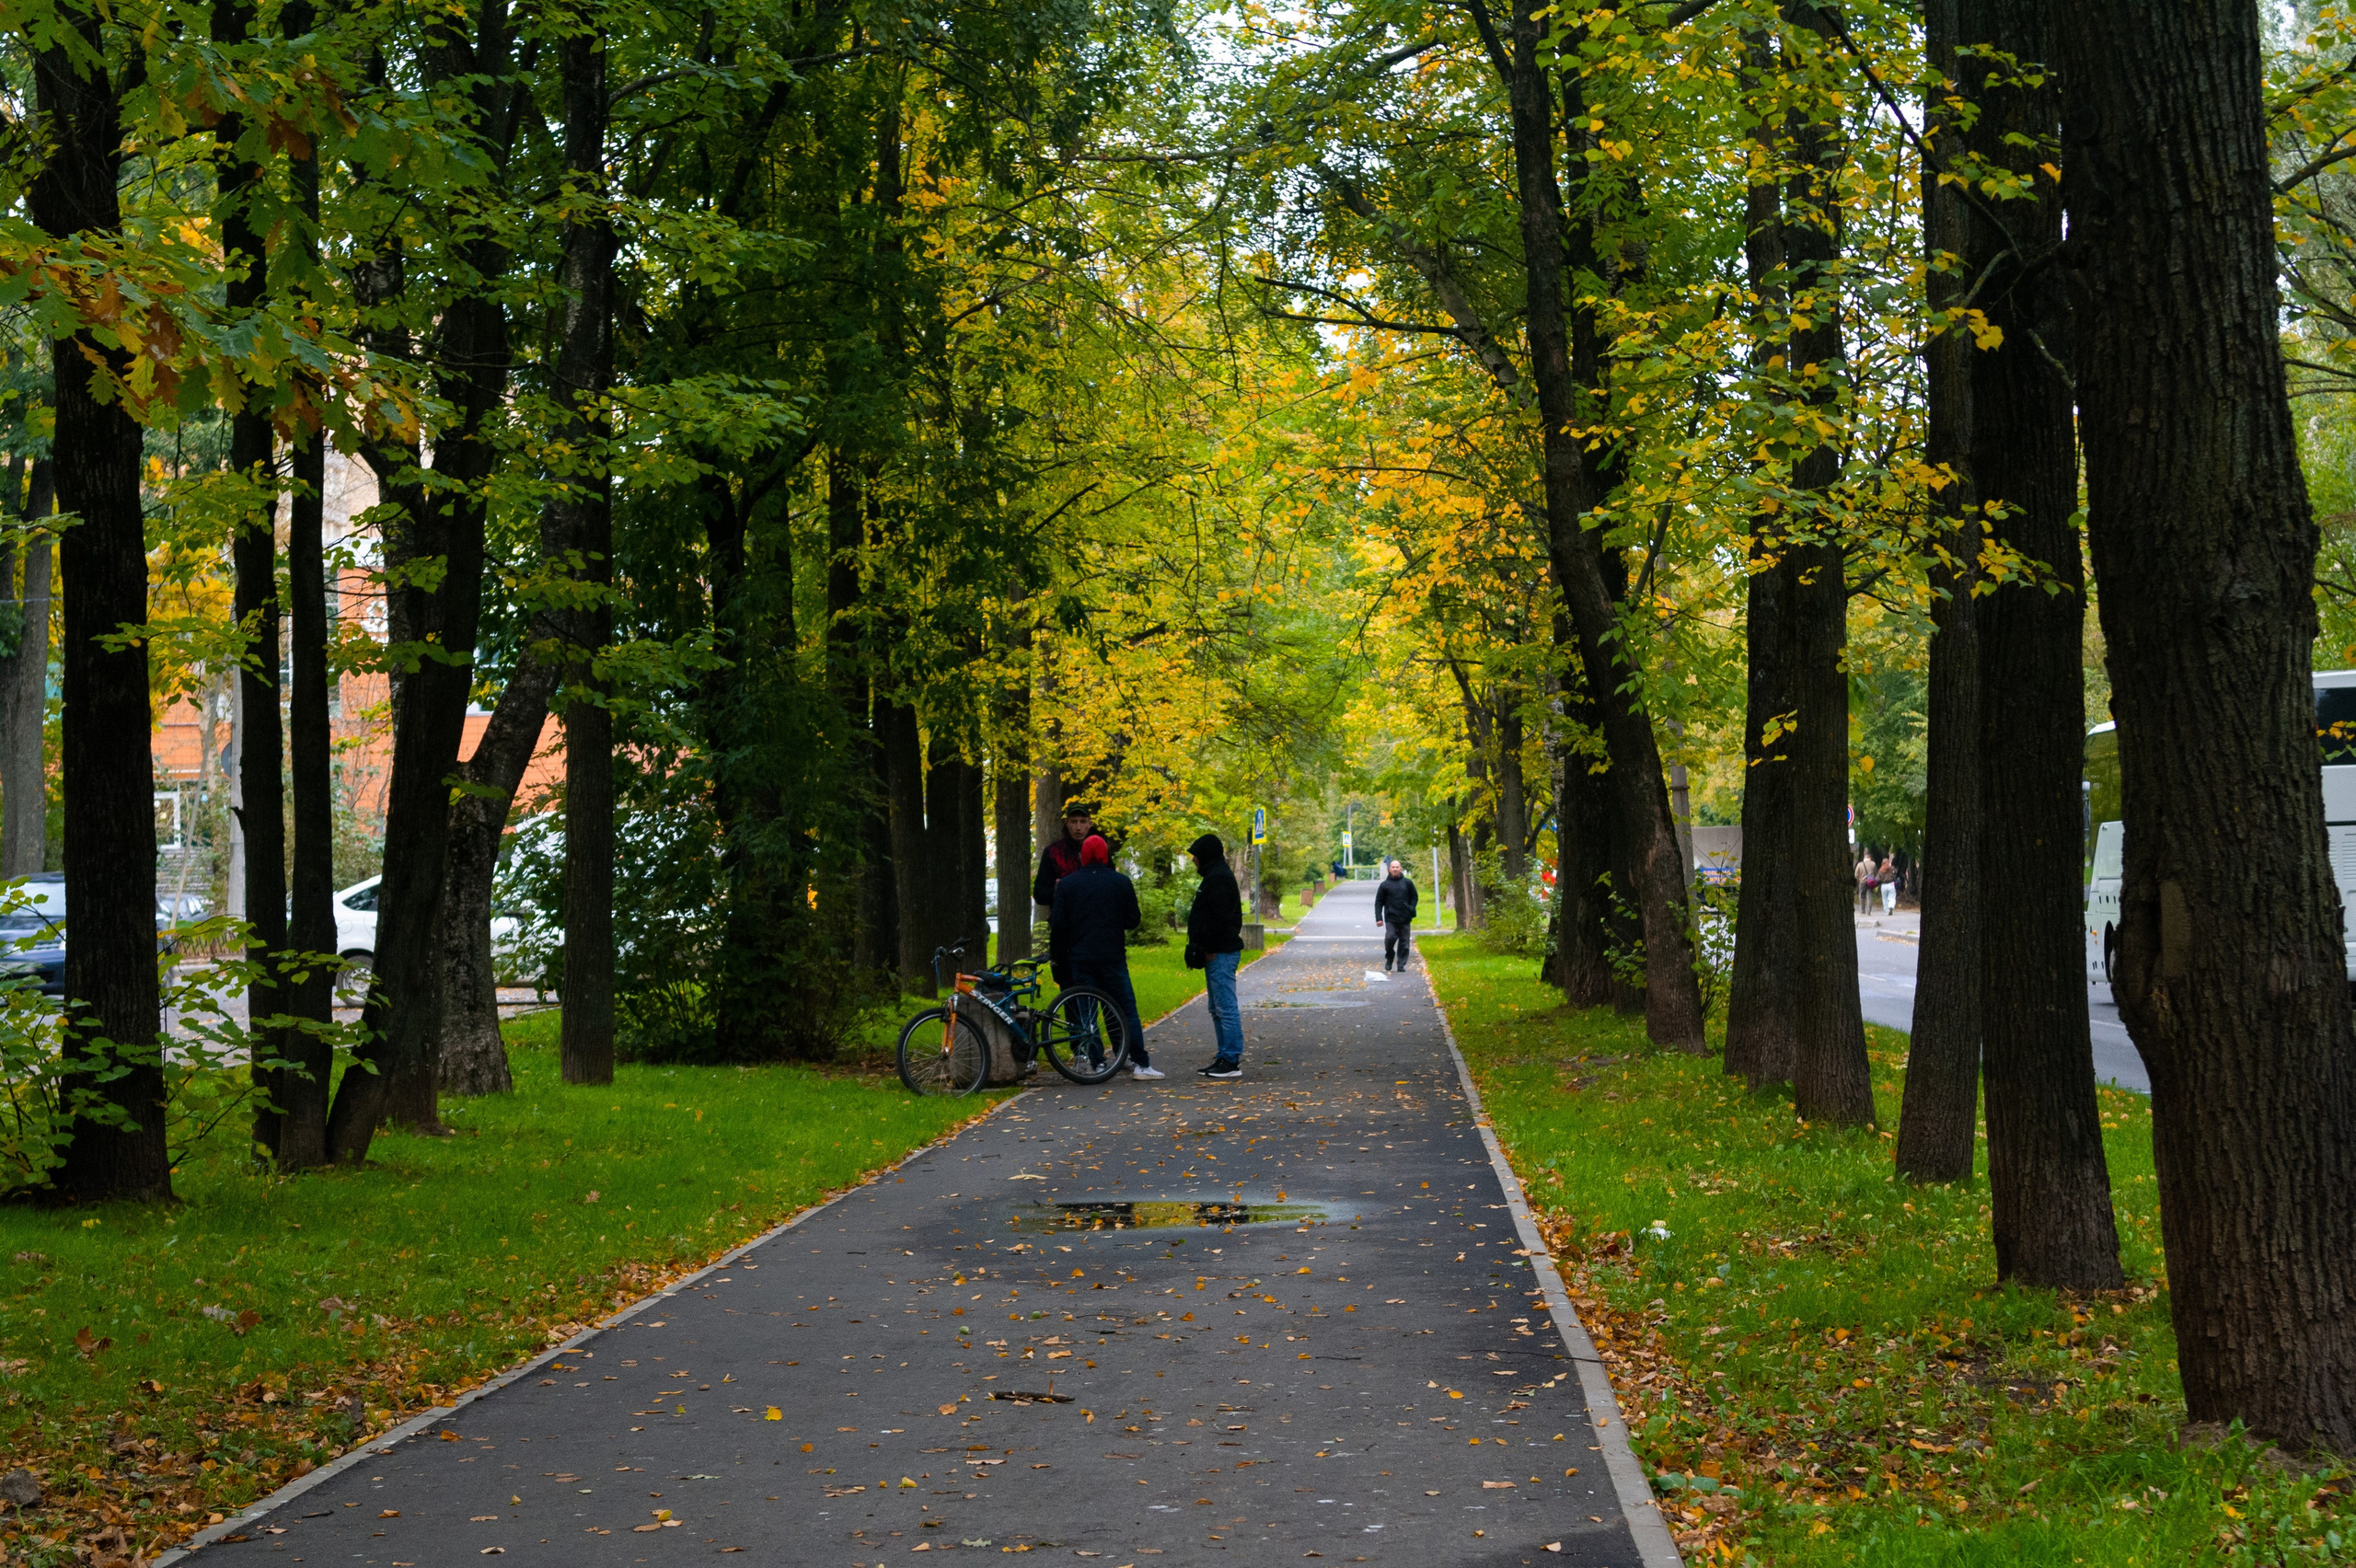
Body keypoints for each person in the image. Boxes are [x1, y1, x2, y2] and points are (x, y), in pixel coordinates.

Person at [1048, 835, 1161, 1079]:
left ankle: (1099, 1062)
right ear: (1105, 855)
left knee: (1087, 1011)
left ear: (1083, 856)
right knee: (1125, 1009)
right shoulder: (1120, 882)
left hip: (1081, 958)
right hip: (1112, 957)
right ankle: (1140, 1061)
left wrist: (1060, 954)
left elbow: (1058, 924)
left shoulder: (1068, 885)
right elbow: (1133, 920)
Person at [1185, 833, 1246, 1079]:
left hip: (1220, 952)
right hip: (1217, 950)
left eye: (1195, 856)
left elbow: (1219, 919)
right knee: (1217, 1007)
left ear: (1205, 856)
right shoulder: (1215, 876)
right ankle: (1224, 1055)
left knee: (1225, 1007)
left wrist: (1208, 947)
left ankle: (1231, 1059)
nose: (1193, 861)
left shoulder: (1218, 879)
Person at [1033, 806, 1096, 915]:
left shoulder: (1099, 851)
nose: (1078, 827)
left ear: (1090, 824)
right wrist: (1057, 890)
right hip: (1064, 923)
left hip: (1094, 921)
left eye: (1083, 822)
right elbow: (1039, 894)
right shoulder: (1053, 852)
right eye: (1074, 822)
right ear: (1066, 823)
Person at [1373, 858, 1419, 972]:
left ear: (1401, 869)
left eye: (1397, 867)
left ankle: (1401, 964)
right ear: (1389, 869)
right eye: (1393, 867)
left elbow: (1414, 897)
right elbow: (1378, 902)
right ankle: (1389, 957)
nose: (1395, 869)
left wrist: (1411, 908)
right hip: (1391, 917)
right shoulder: (1384, 885)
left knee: (1404, 942)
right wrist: (1379, 918)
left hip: (1405, 917)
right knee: (1390, 937)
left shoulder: (1407, 883)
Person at [1854, 849, 1877, 916]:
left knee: (1861, 896)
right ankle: (1869, 911)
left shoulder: (1859, 864)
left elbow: (1856, 875)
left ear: (1864, 858)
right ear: (1869, 858)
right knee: (1869, 896)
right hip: (1870, 882)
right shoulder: (1873, 864)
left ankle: (1862, 910)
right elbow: (1875, 873)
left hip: (1862, 882)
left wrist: (1859, 879)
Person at [1877, 852, 1899, 917]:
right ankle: (1891, 906)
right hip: (1891, 884)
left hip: (1883, 885)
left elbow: (1878, 879)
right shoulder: (1891, 868)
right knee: (1892, 897)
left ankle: (1887, 911)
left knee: (1884, 898)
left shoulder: (1880, 870)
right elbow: (1896, 872)